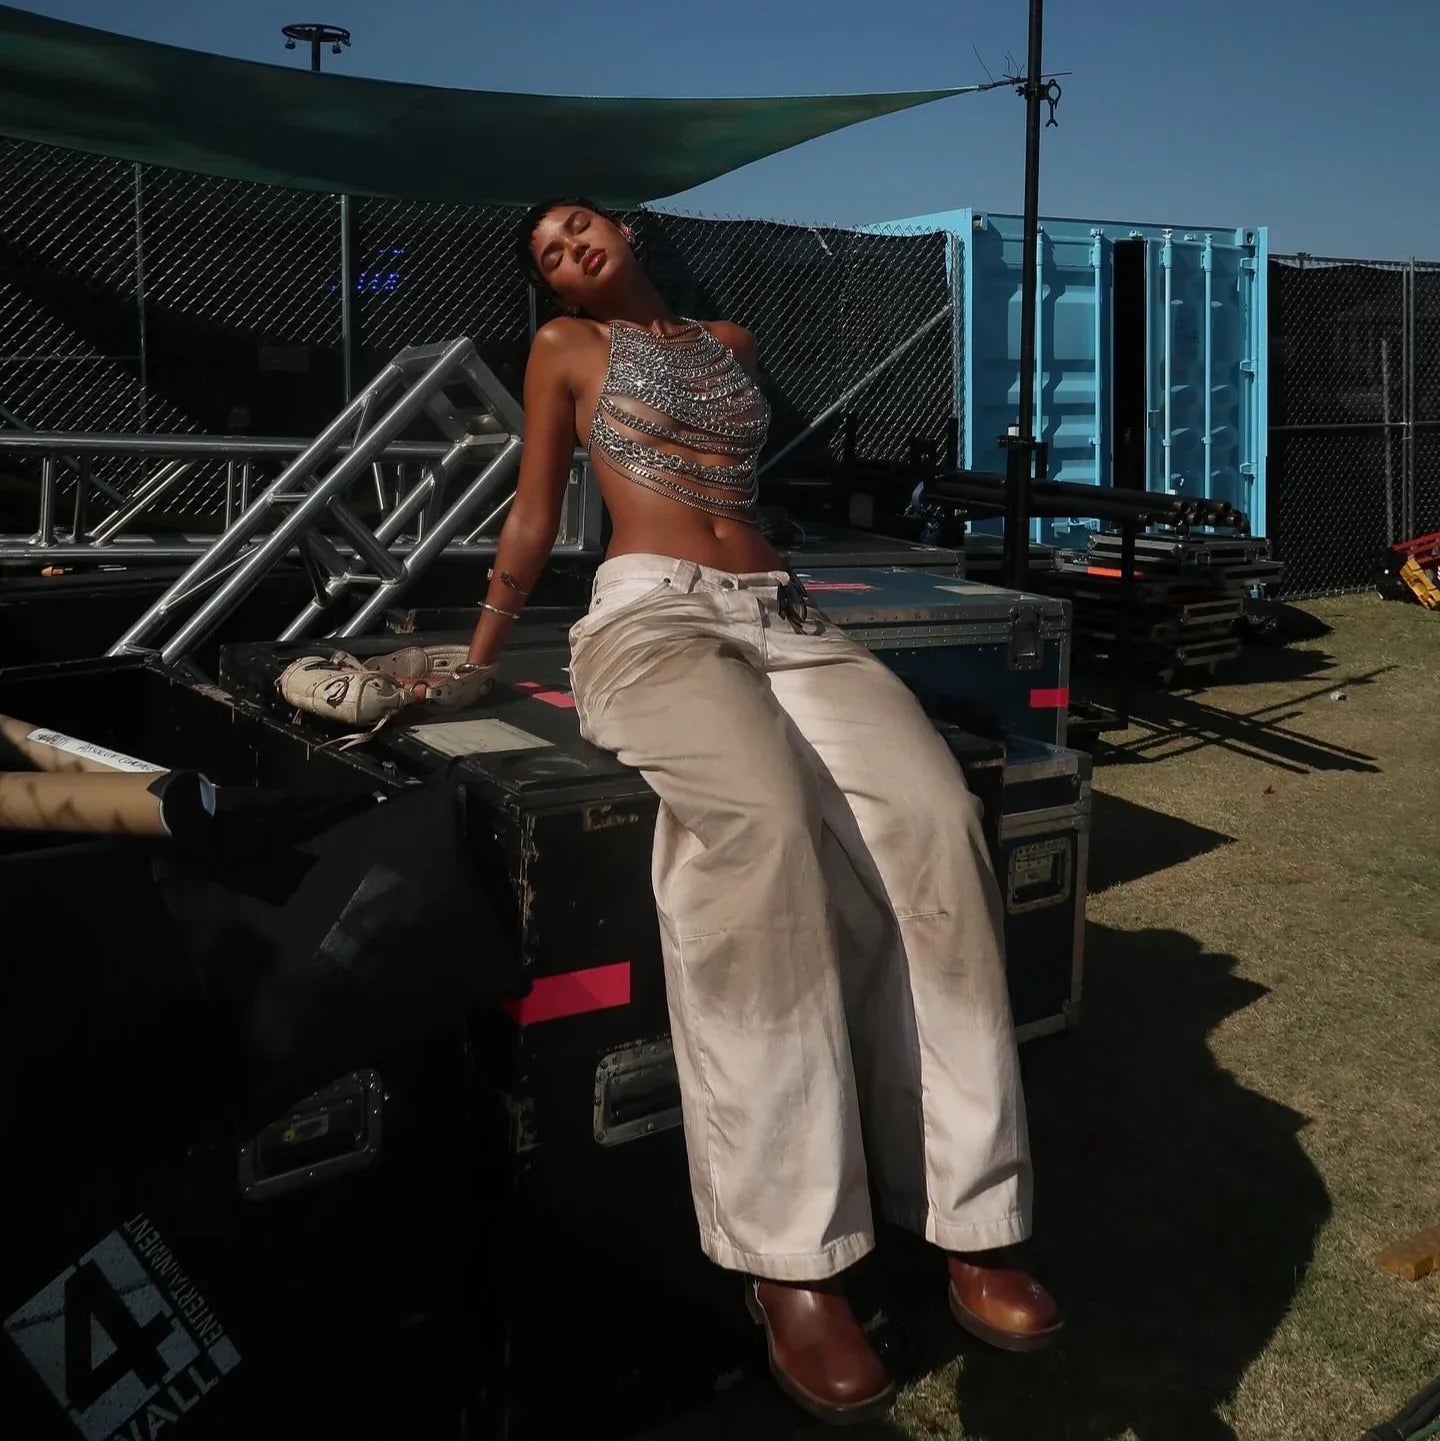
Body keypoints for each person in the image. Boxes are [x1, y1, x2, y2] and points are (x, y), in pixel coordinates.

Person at [464, 197, 1062, 1424]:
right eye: (547, 256)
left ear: (625, 231)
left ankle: (971, 1211)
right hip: (648, 618)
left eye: (578, 229)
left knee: (937, 822)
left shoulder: (732, 345)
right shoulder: (563, 352)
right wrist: (481, 649)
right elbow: (537, 507)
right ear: (556, 289)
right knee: (764, 828)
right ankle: (793, 1261)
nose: (569, 250)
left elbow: (741, 483)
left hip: (784, 613)